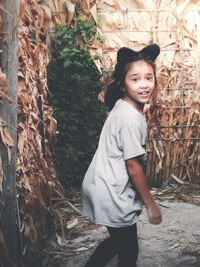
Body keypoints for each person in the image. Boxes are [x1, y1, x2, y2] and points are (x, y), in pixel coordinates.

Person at [81, 43, 162, 267]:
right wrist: (150, 204)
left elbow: (134, 110)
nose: (144, 85)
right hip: (110, 189)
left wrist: (142, 109)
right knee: (126, 248)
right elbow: (134, 167)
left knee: (122, 244)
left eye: (149, 78)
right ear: (123, 85)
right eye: (135, 79)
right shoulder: (129, 118)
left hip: (102, 183)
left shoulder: (123, 106)